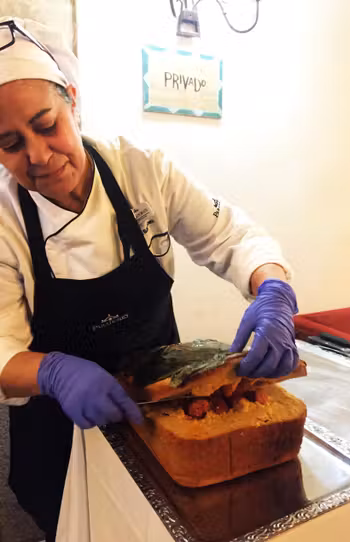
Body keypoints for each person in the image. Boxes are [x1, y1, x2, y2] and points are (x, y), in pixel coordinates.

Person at [0, 17, 300, 541]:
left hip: (168, 411)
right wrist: (53, 374)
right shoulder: (3, 220)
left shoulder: (142, 170)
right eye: (9, 144)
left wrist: (273, 289)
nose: (39, 157)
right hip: (60, 433)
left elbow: (231, 237)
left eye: (47, 125)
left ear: (72, 100)